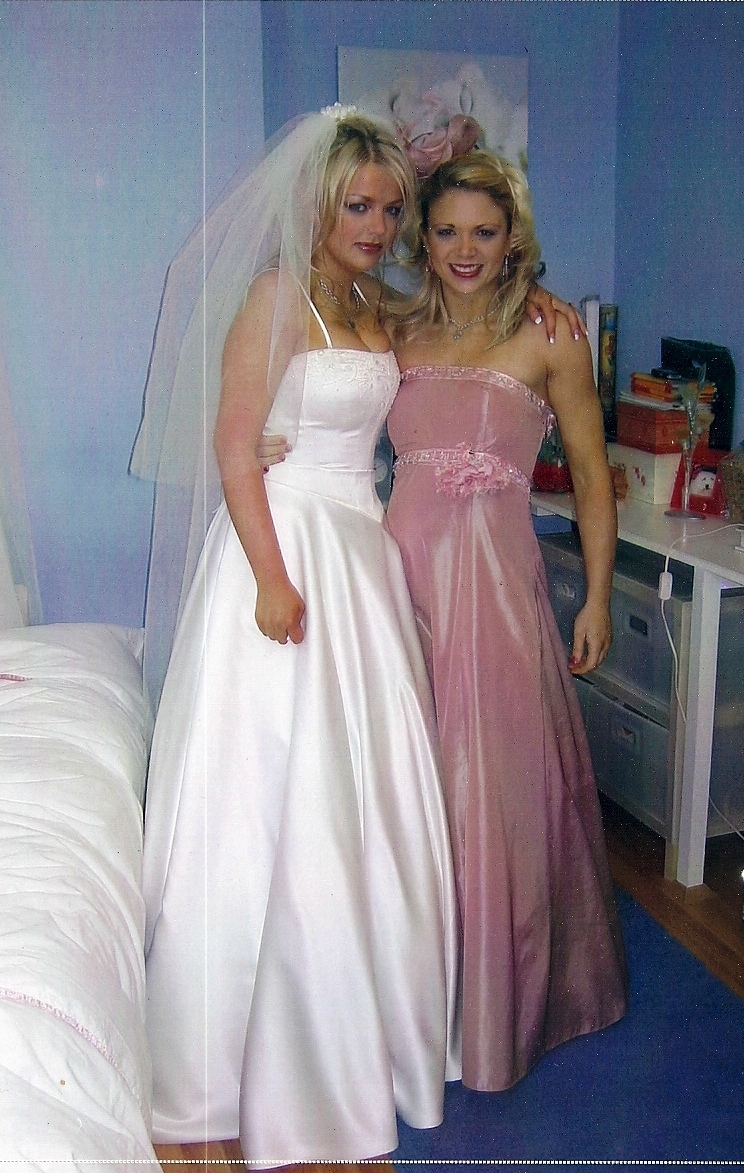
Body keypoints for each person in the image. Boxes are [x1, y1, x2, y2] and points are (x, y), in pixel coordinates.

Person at [131, 108, 463, 1168]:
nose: (376, 226)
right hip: (285, 556)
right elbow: (235, 448)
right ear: (315, 203)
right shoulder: (276, 298)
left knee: (366, 796)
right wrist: (273, 581)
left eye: (390, 209)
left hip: (360, 558)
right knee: (279, 794)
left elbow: (460, 327)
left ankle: (367, 1030)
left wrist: (533, 304)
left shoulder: (371, 303)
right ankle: (253, 1060)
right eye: (356, 206)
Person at [383, 148, 628, 1093]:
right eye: (447, 230)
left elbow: (594, 478)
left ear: (513, 236)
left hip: (493, 596)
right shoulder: (394, 327)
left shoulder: (551, 335)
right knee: (409, 789)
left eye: (484, 231)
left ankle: (499, 1008)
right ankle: (415, 995)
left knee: (498, 798)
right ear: (423, 236)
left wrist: (597, 596)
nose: (464, 249)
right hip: (397, 586)